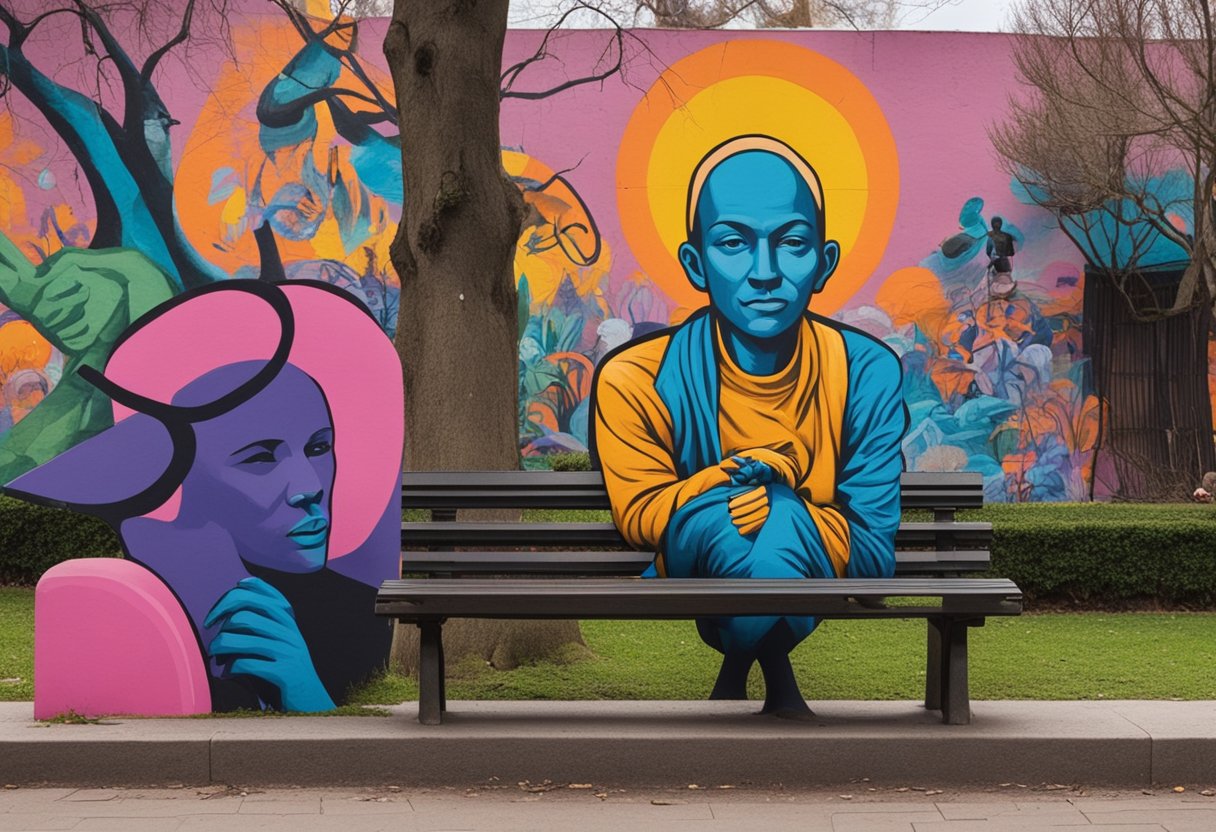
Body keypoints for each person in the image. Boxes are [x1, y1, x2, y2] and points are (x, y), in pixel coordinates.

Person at [591, 135, 908, 718]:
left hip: (795, 550)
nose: (765, 273)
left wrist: (781, 507)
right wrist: (736, 482)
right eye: (733, 243)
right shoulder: (637, 378)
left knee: (775, 524)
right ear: (696, 263)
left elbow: (870, 553)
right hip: (698, 547)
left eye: (792, 243)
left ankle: (736, 672)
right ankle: (779, 688)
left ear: (824, 262)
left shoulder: (864, 373)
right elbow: (641, 518)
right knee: (751, 525)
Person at [6, 280, 402, 712]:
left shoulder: (363, 616)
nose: (309, 487)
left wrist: (303, 688)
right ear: (184, 478)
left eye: (319, 447)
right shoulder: (142, 603)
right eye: (260, 459)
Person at [985, 217, 1017, 298]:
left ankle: (998, 293)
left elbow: (988, 251)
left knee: (996, 280)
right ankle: (1005, 292)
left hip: (996, 263)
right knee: (1005, 278)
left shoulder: (989, 236)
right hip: (1006, 263)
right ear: (1001, 225)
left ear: (992, 225)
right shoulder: (1008, 236)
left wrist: (992, 260)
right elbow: (1011, 253)